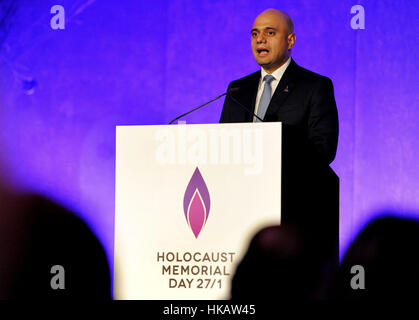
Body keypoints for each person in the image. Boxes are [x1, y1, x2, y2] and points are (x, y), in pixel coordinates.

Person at [220, 9, 339, 165]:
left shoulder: (315, 86)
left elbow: (324, 149)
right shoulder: (237, 89)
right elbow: (221, 145)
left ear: (290, 41)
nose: (260, 40)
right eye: (255, 34)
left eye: (270, 33)